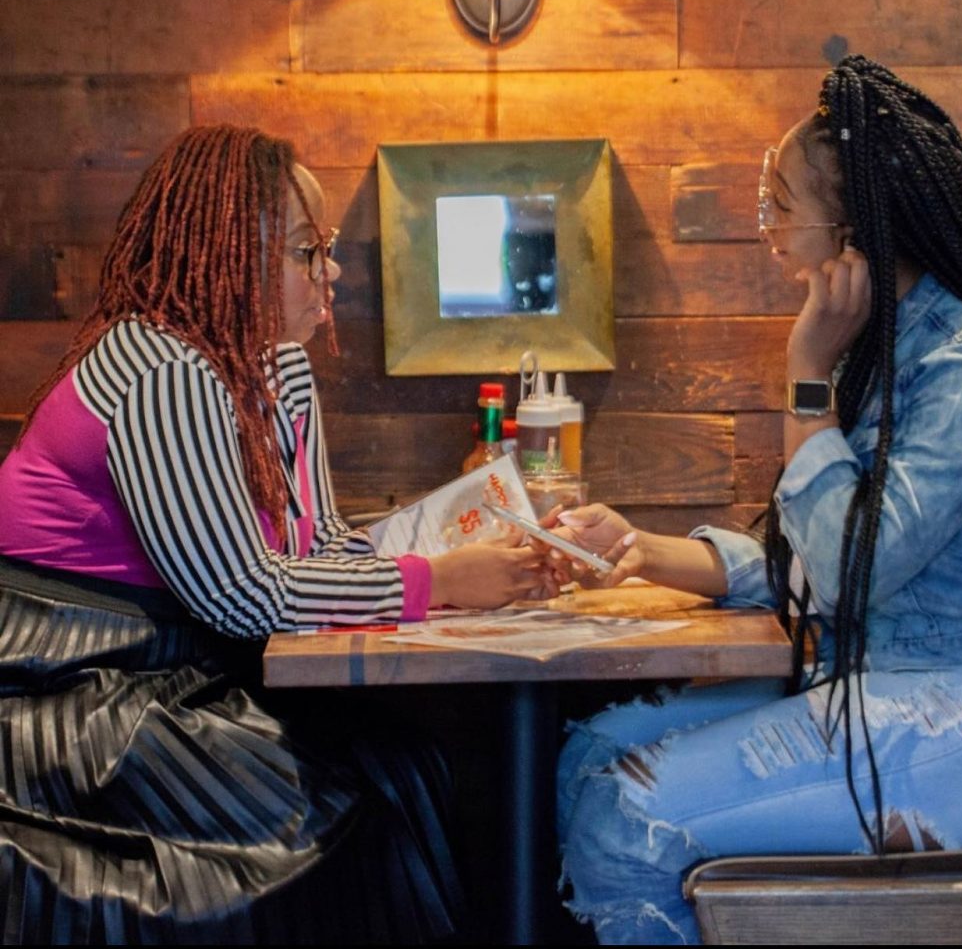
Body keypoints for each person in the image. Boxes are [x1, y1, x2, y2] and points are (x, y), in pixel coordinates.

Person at [0, 124, 557, 943]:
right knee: (345, 808)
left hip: (164, 663)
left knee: (409, 764)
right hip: (72, 684)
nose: (328, 269)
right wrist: (439, 583)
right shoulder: (166, 370)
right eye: (307, 250)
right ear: (230, 252)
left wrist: (442, 544)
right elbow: (241, 595)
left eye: (324, 246)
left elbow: (314, 546)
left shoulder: (268, 368)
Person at [552, 55, 962, 944]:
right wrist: (641, 550)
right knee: (589, 752)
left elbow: (845, 570)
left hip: (958, 721)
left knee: (626, 817)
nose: (762, 225)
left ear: (851, 232)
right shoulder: (877, 351)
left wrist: (804, 378)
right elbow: (802, 559)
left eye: (778, 204)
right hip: (868, 692)